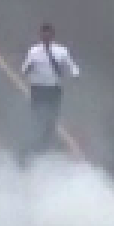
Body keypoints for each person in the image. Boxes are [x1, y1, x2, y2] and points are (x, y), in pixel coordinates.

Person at [20, 22, 79, 155]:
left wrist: (75, 76)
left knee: (51, 118)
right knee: (36, 117)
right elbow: (24, 68)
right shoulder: (33, 51)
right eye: (43, 34)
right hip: (38, 89)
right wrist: (28, 69)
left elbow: (71, 66)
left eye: (48, 34)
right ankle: (35, 144)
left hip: (54, 89)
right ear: (40, 35)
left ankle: (47, 142)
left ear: (52, 35)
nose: (45, 37)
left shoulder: (61, 51)